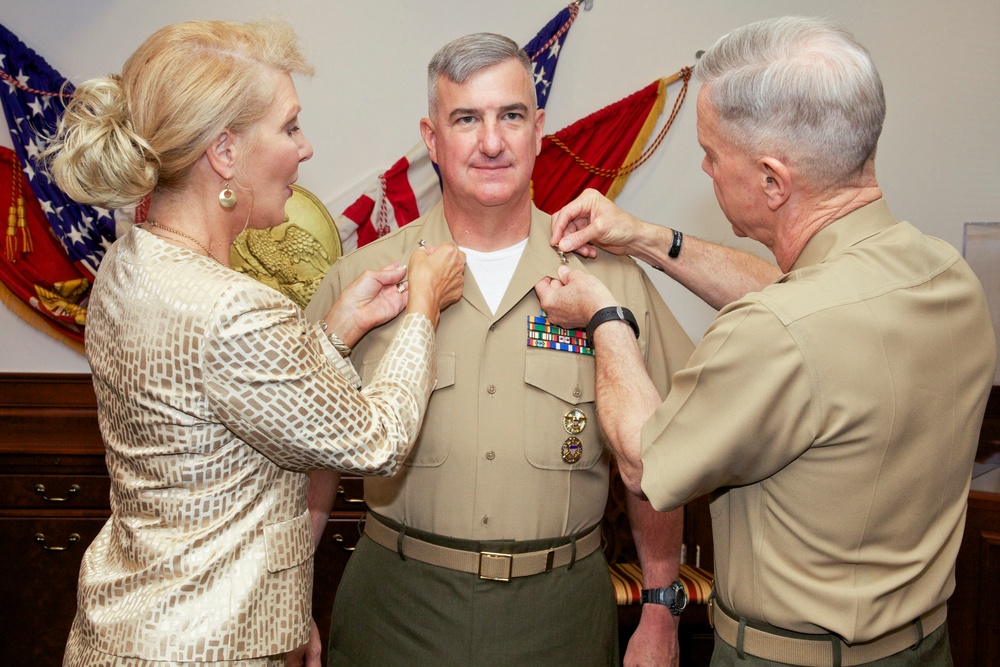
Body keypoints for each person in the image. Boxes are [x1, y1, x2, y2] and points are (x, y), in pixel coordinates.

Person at [535, 15, 997, 667]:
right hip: (924, 645)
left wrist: (606, 316)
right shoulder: (945, 272)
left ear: (774, 180)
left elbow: (644, 462)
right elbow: (800, 292)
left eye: (711, 154)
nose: (704, 168)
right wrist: (645, 237)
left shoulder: (775, 331)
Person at [43, 19, 464, 667]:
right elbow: (375, 438)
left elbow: (245, 412)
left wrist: (336, 331)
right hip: (200, 648)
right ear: (225, 152)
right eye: (290, 126)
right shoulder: (236, 307)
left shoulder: (131, 265)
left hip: (132, 631)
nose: (306, 148)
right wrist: (424, 309)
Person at [305, 32, 694, 667]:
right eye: (466, 120)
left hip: (561, 613)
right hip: (397, 609)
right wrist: (294, 595)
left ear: (538, 129)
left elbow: (658, 460)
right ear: (431, 138)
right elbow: (308, 460)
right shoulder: (364, 282)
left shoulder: (610, 283)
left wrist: (659, 607)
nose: (491, 143)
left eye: (510, 116)